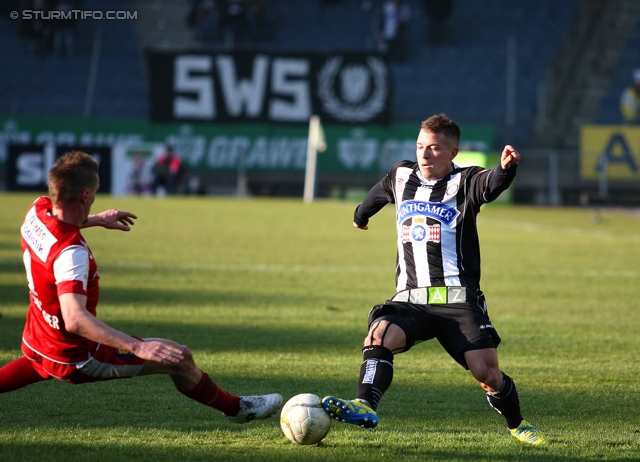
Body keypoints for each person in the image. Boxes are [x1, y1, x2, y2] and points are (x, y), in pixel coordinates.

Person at [0, 151, 282, 424]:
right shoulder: (70, 254)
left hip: (40, 334)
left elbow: (59, 225)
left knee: (38, 363)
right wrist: (137, 346)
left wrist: (96, 219)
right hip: (78, 354)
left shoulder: (37, 211)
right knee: (178, 357)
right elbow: (74, 319)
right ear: (86, 195)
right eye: (94, 196)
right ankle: (237, 409)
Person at [322, 114, 545, 445]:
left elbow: (492, 184)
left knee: (487, 375)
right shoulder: (401, 174)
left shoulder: (466, 181)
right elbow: (380, 191)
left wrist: (506, 169)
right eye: (420, 146)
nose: (424, 154)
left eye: (434, 148)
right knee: (380, 334)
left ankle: (517, 424)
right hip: (411, 297)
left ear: (452, 152)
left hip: (457, 299)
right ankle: (365, 404)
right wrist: (361, 214)